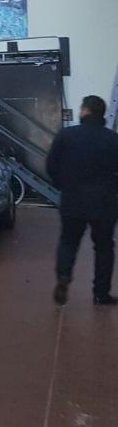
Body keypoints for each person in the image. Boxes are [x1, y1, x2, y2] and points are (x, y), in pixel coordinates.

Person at [50, 95, 118, 306]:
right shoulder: (113, 139)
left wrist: (62, 185)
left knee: (68, 241)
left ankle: (63, 276)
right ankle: (101, 293)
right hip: (105, 203)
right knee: (104, 247)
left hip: (73, 200)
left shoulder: (66, 135)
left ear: (85, 110)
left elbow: (51, 165)